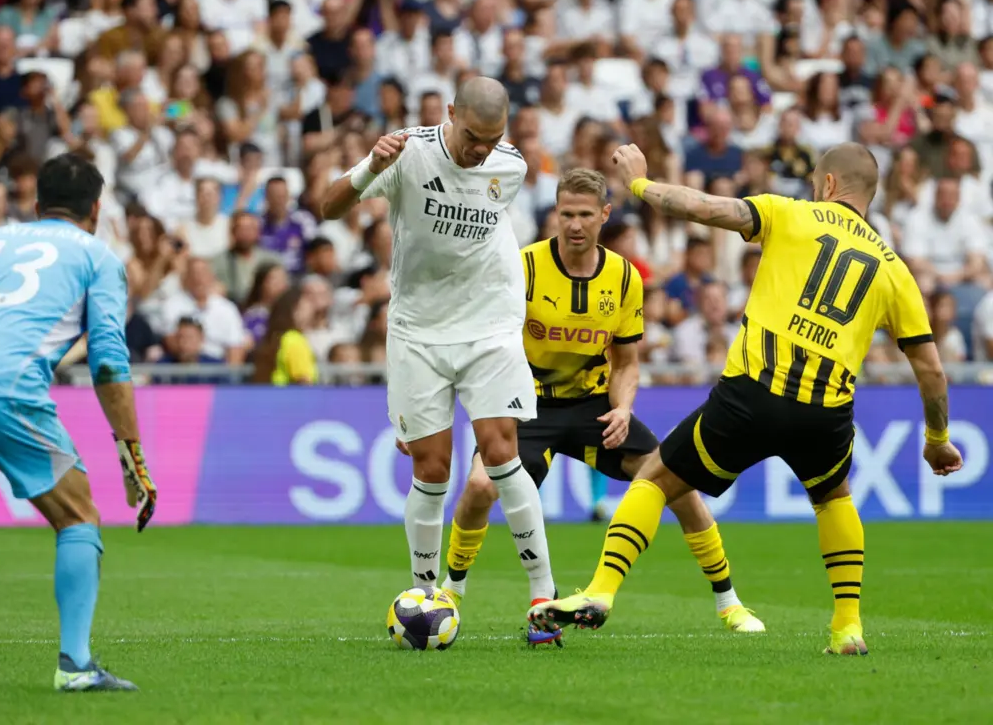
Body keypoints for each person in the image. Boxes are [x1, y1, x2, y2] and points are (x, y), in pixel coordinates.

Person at [529, 142, 964, 656]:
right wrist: (937, 440)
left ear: (826, 185)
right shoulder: (893, 268)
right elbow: (931, 370)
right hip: (825, 412)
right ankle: (847, 627)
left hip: (752, 393)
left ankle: (601, 591)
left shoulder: (790, 213)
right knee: (834, 497)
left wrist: (642, 184)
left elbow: (704, 207)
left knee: (657, 477)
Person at [441, 169, 763, 644]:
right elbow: (490, 341)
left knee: (678, 484)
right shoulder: (522, 266)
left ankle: (728, 602)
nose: (574, 224)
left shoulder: (625, 276)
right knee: (477, 487)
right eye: (566, 213)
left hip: (594, 405)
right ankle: (451, 591)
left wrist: (622, 408)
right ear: (555, 213)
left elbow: (626, 362)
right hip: (527, 405)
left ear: (604, 215)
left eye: (585, 215)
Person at [0, 154, 157, 691]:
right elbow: (109, 358)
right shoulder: (97, 256)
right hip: (3, 385)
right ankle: (76, 665)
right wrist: (130, 448)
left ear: (37, 207)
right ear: (95, 209)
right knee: (77, 514)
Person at [319, 77, 556, 617]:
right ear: (450, 113)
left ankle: (544, 593)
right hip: (418, 330)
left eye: (491, 139)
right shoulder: (406, 153)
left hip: (490, 325)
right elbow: (329, 206)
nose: (480, 150)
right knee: (431, 469)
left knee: (501, 452)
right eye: (473, 136)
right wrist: (370, 167)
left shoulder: (511, 166)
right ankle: (426, 596)